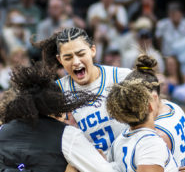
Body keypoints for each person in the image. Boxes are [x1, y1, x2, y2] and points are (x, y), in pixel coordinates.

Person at [37, 27, 131, 157]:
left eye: (81, 54)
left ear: (93, 50)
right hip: (87, 166)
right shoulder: (56, 93)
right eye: (68, 57)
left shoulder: (122, 77)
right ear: (60, 60)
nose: (76, 62)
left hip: (128, 161)